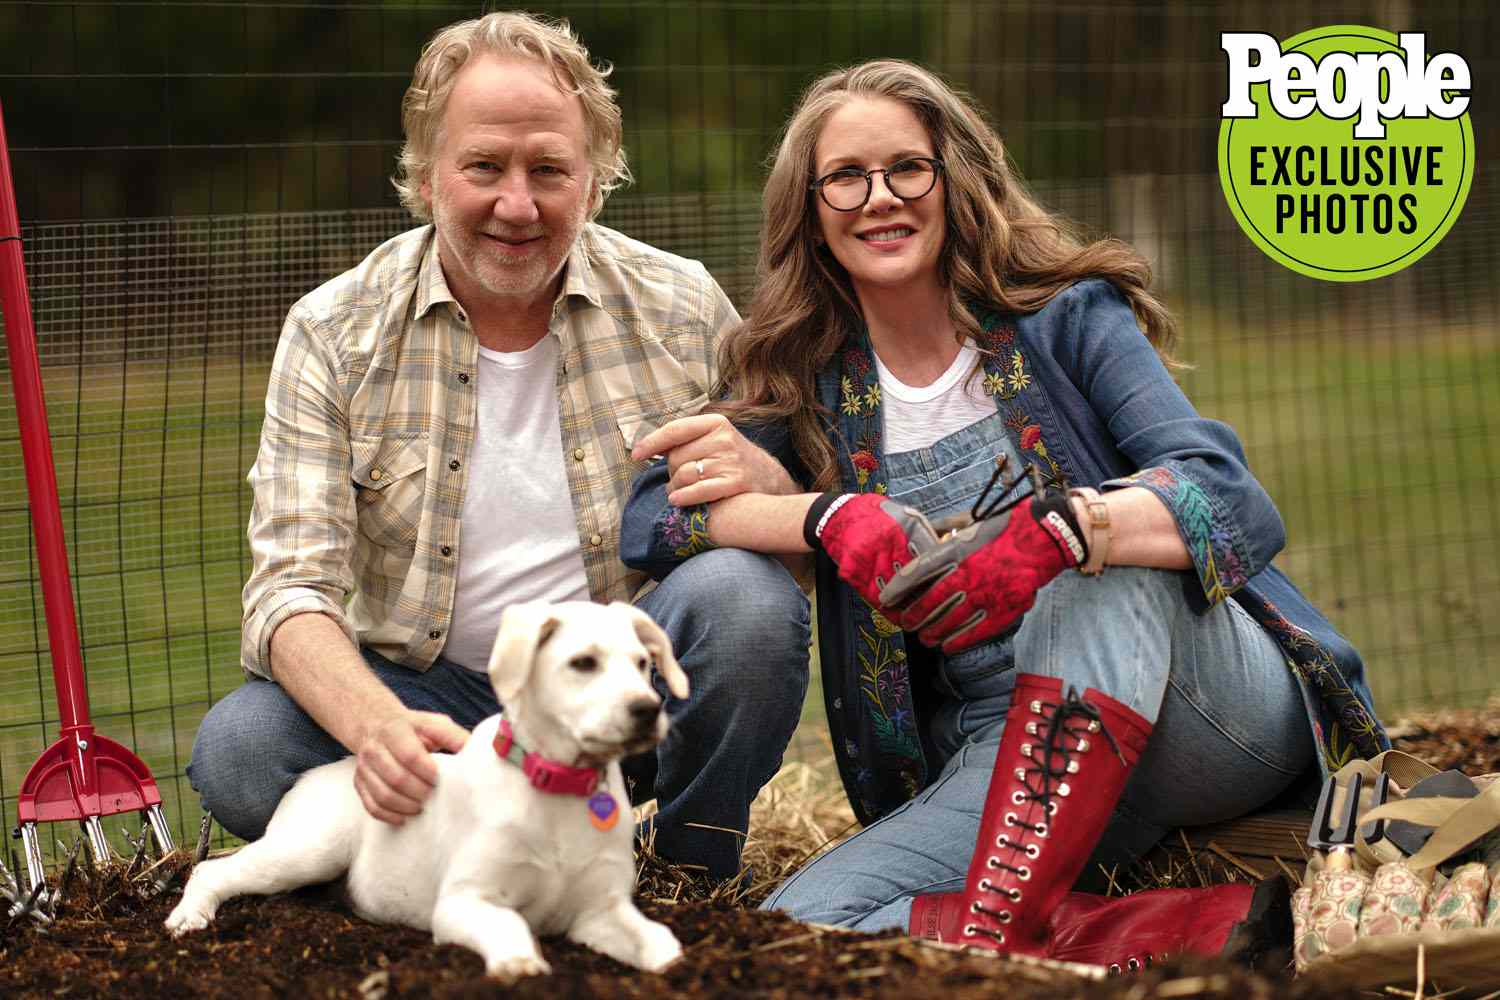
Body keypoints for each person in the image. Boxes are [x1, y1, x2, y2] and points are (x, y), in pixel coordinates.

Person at [620, 59, 1387, 951]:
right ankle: (1214, 926)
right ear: (812, 208)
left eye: (908, 167)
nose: (880, 198)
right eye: (846, 177)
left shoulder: (1067, 318)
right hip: (1017, 760)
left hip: (1207, 712)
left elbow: (1229, 496)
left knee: (1093, 571)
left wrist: (1068, 531)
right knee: (804, 924)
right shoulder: (807, 376)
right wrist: (823, 517)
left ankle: (989, 933)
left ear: (955, 181)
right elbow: (655, 511)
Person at [188, 11, 810, 881]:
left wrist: (765, 473)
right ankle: (439, 859)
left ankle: (688, 872)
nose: (516, 205)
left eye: (549, 170)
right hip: (422, 702)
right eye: (484, 166)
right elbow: (289, 592)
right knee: (243, 751)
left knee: (745, 600)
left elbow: (796, 536)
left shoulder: (681, 306)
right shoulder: (333, 331)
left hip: (609, 693)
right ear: (426, 175)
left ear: (595, 182)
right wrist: (376, 727)